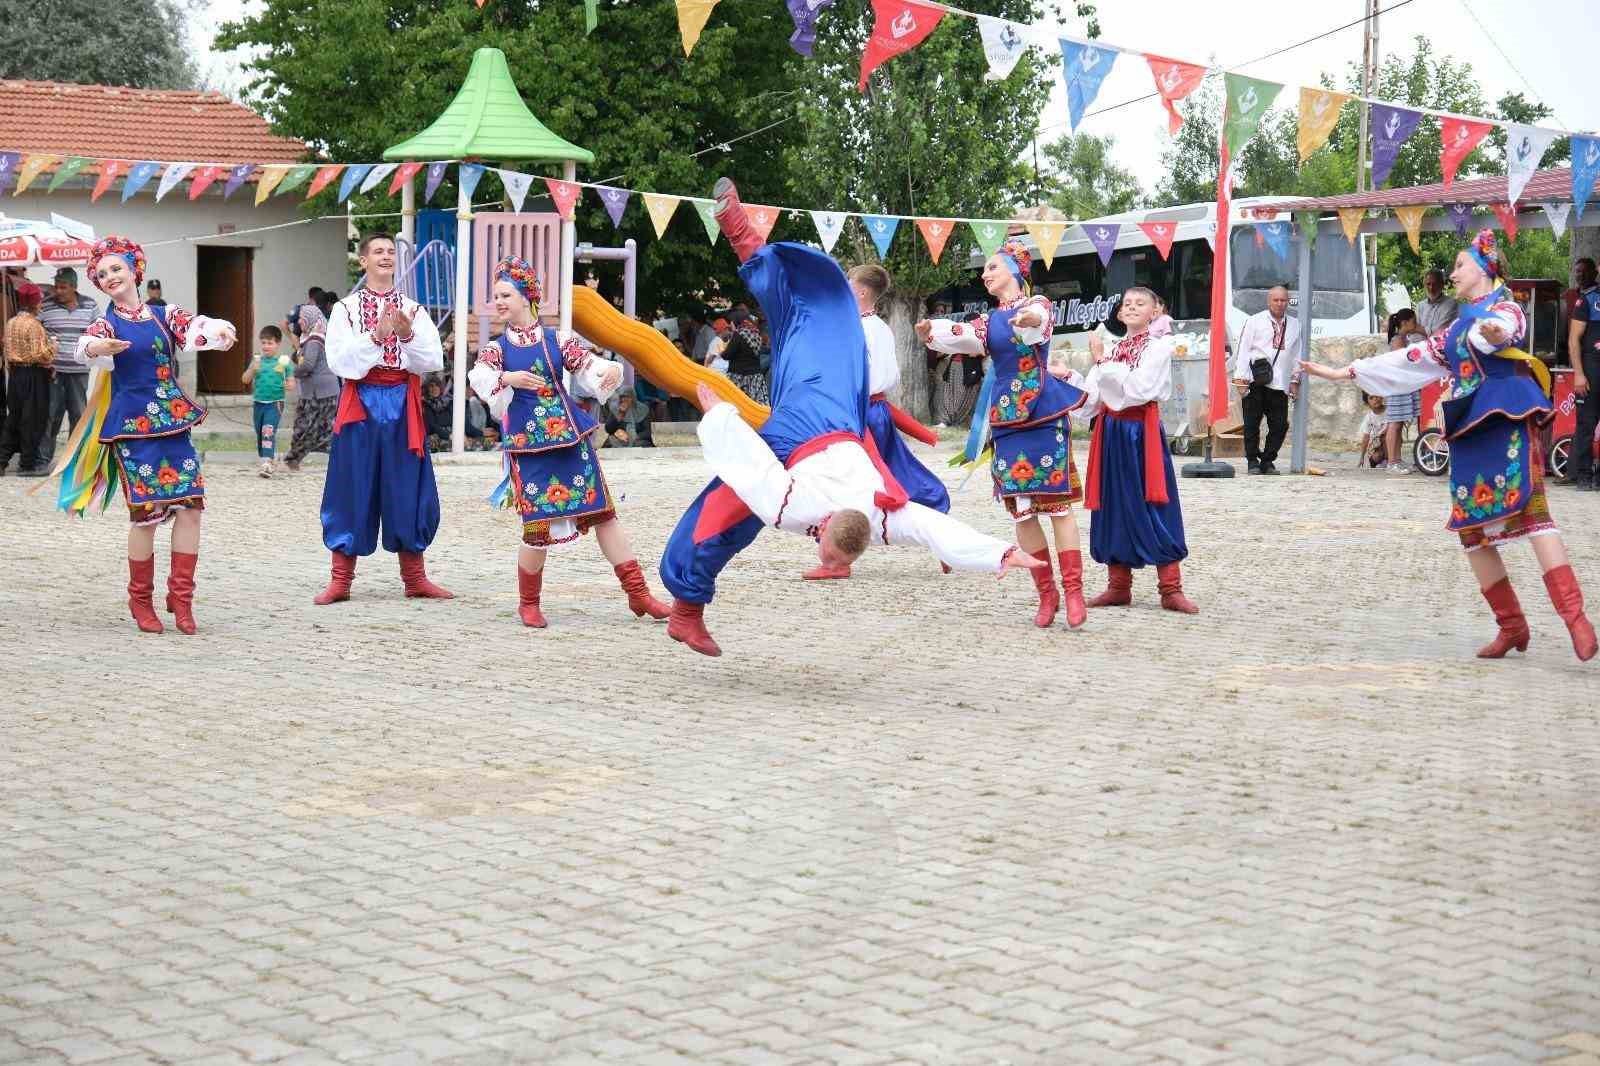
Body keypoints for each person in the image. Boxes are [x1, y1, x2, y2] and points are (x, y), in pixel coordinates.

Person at [658, 179, 1044, 657]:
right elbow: (751, 468)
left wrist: (1000, 553)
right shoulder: (811, 509)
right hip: (815, 423)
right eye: (834, 559)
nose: (829, 560)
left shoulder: (881, 514)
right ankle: (686, 608)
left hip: (838, 411)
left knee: (802, 325)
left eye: (835, 561)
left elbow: (934, 530)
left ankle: (687, 608)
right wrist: (720, 418)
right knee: (727, 507)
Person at [1300, 229, 1594, 662]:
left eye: (1459, 265)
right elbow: (1409, 360)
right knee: (1471, 529)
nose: (1452, 273)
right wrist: (1343, 372)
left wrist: (1492, 331)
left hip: (1506, 421)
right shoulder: (1456, 328)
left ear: (1485, 267)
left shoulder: (1507, 308)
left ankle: (1576, 620)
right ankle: (1512, 626)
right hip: (1469, 430)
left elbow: (1506, 330)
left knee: (1533, 514)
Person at [467, 255, 669, 628]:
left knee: (603, 513)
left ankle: (639, 594)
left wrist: (607, 370)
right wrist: (509, 378)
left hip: (571, 439)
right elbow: (480, 377)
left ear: (527, 296)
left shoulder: (557, 338)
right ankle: (529, 603)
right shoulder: (496, 349)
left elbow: (587, 364)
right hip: (528, 447)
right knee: (537, 524)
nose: (498, 301)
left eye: (505, 294)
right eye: (495, 295)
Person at [52, 236, 237, 634]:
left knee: (190, 507)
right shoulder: (107, 322)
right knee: (147, 517)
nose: (110, 277)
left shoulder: (163, 314)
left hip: (173, 420)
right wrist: (99, 345)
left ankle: (182, 599)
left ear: (135, 269)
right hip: (134, 428)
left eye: (116, 268)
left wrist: (221, 329)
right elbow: (82, 347)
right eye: (101, 275)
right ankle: (140, 600)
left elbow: (196, 327)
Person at [916, 237, 1092, 629]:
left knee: (1058, 504)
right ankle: (1047, 595)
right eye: (985, 270)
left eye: (992, 268)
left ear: (1014, 270)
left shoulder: (1039, 305)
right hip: (1007, 416)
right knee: (1022, 508)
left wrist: (1027, 322)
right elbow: (961, 333)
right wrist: (932, 331)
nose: (984, 275)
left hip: (1042, 408)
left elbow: (1038, 324)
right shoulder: (988, 320)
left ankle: (1075, 591)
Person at [314, 232, 451, 605]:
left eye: (391, 252)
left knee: (408, 484)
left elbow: (432, 360)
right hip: (360, 403)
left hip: (402, 403)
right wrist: (375, 336)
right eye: (378, 251)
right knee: (352, 485)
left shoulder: (414, 309)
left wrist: (406, 336)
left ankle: (415, 577)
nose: (386, 257)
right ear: (364, 261)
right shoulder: (344, 309)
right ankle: (340, 579)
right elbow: (339, 362)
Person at [1070, 287, 1198, 614]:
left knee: (1153, 502)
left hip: (1140, 433)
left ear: (1155, 312)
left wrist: (1100, 361)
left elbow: (1137, 390)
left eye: (1140, 303)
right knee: (1113, 505)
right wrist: (1068, 378)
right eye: (1127, 303)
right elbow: (1093, 401)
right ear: (1119, 312)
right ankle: (1118, 586)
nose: (1132, 308)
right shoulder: (1114, 349)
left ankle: (1171, 588)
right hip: (1111, 433)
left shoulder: (1158, 348)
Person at [850, 263, 951, 545]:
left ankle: (935, 519)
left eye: (848, 283)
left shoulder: (868, 329)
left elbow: (872, 377)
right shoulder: (869, 326)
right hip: (867, 410)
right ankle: (936, 524)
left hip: (864, 412)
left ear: (860, 292)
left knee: (879, 475)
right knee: (885, 472)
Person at [1231, 284, 1300, 474]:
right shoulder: (1254, 321)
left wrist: (1295, 380)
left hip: (1280, 381)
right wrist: (1240, 379)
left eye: (1283, 300)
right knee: (1252, 423)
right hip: (1256, 379)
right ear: (1269, 301)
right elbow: (1244, 349)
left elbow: (1296, 354)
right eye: (1276, 300)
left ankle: (1268, 460)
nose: (1279, 303)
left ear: (1288, 301)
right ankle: (1252, 460)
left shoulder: (1295, 324)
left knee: (1280, 424)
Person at [37, 267, 98, 467]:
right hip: (52, 372)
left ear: (74, 287)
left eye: (63, 287)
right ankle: (43, 460)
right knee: (50, 415)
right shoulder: (45, 306)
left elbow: (99, 332)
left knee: (78, 415)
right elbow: (35, 333)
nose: (58, 291)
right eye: (56, 287)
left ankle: (75, 461)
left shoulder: (90, 305)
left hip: (79, 372)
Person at [0, 283, 55, 477]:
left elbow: (6, 348)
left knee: (13, 417)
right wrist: (53, 348)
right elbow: (39, 354)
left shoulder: (10, 322)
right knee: (32, 419)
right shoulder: (34, 325)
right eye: (39, 301)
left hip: (15, 376)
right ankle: (27, 463)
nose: (41, 304)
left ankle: (2, 460)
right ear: (34, 303)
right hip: (33, 374)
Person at [284, 294, 339, 472]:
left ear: (310, 318)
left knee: (313, 427)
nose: (299, 321)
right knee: (312, 426)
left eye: (302, 318)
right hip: (316, 391)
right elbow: (302, 357)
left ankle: (293, 459)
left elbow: (307, 365)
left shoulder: (315, 340)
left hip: (321, 392)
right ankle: (293, 459)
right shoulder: (310, 337)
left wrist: (292, 373)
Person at [1563, 258, 1599, 491]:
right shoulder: (1587, 300)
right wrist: (1578, 374)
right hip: (1591, 369)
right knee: (1586, 425)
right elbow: (1573, 339)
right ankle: (1583, 476)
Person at [1378, 310, 1427, 473]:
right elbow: (1403, 361)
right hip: (1398, 386)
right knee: (1395, 423)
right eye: (1413, 321)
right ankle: (1392, 461)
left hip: (1403, 385)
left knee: (1399, 424)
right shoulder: (1398, 340)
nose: (1416, 324)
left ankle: (1397, 460)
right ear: (1405, 323)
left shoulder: (1404, 339)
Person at [241, 324, 293, 478]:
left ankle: (267, 463)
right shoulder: (257, 361)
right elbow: (245, 380)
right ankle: (267, 458)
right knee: (260, 432)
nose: (266, 346)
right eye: (263, 343)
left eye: (270, 343)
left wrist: (288, 385)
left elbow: (291, 382)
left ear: (277, 344)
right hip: (259, 403)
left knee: (268, 431)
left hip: (275, 403)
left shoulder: (284, 362)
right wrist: (252, 370)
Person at [1418, 268, 1458, 338]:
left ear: (1442, 285)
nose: (1431, 288)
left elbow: (1439, 331)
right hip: (1419, 345)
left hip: (1440, 347)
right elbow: (1413, 331)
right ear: (1424, 285)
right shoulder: (1420, 306)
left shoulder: (1451, 304)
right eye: (1428, 284)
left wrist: (1419, 330)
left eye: (1435, 284)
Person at [1356, 393, 1387, 469]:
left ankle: (1389, 460)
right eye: (1371, 398)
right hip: (1377, 445)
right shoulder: (1369, 417)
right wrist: (1362, 457)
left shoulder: (1389, 411)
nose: (1375, 399)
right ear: (1367, 403)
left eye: (1377, 396)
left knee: (1386, 435)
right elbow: (1366, 438)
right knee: (1376, 457)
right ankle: (1382, 462)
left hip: (1390, 441)